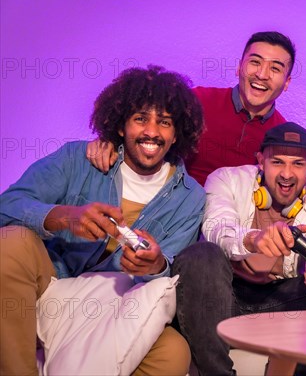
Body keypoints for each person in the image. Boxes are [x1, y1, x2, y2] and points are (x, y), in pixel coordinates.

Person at [0, 65, 205, 375]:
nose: (152, 131)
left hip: (116, 307)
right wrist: (62, 217)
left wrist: (155, 266)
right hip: (51, 284)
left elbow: (170, 274)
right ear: (120, 127)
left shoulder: (190, 197)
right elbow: (6, 206)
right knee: (10, 242)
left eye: (164, 122)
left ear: (177, 134)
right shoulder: (78, 159)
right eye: (140, 119)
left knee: (174, 353)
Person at [172, 122, 306, 375]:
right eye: (277, 162)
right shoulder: (226, 179)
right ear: (260, 161)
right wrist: (254, 240)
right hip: (221, 299)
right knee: (200, 255)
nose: (287, 174)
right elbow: (217, 228)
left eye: (298, 164)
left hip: (281, 302)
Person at [86, 31, 306, 206]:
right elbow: (144, 124)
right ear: (239, 67)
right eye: (255, 62)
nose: (262, 74)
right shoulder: (197, 101)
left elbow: (304, 182)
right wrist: (107, 141)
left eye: (275, 68)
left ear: (287, 82)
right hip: (172, 210)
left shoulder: (283, 134)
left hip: (233, 229)